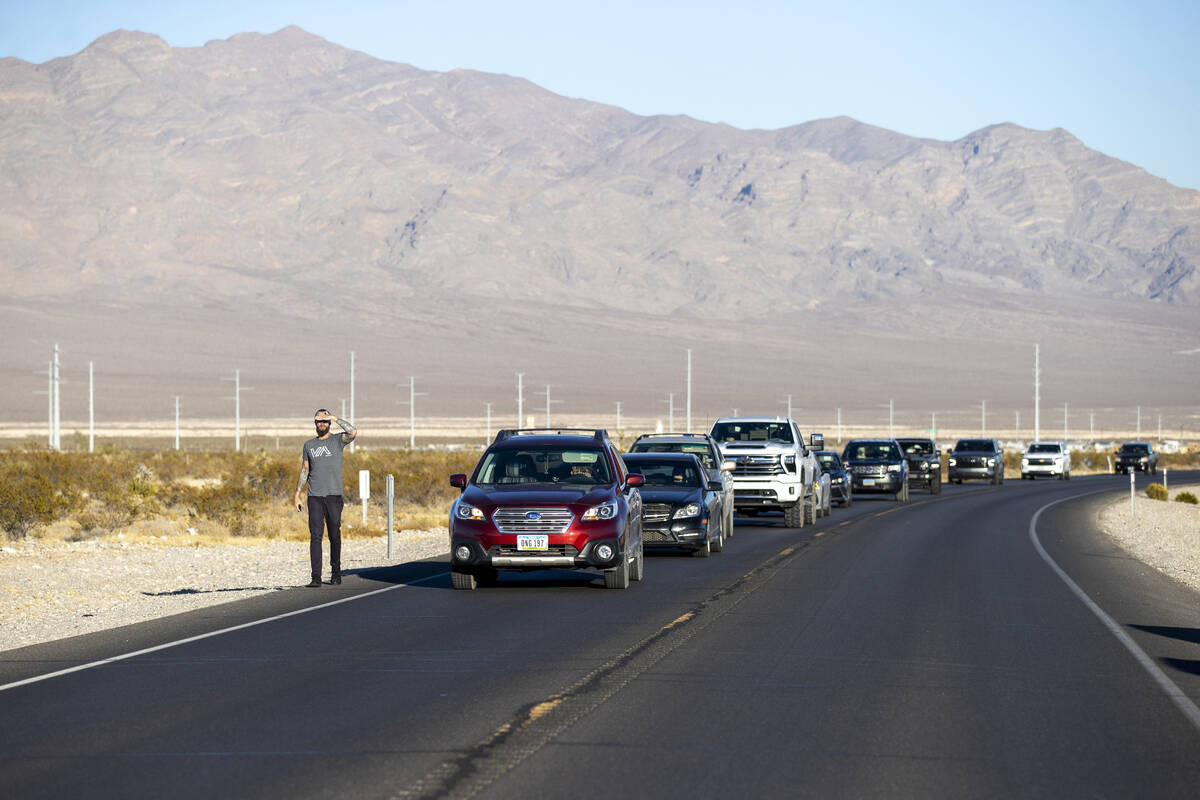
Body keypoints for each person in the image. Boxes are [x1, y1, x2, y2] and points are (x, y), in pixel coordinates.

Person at [293, 409, 357, 587]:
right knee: (315, 536)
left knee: (334, 534)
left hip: (333, 496)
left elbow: (352, 432)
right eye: (319, 421)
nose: (322, 424)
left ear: (329, 423)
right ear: (315, 424)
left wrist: (334, 418)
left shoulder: (337, 440)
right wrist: (297, 494)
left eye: (325, 420)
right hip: (315, 496)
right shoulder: (309, 446)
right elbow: (305, 470)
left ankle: (336, 572)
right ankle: (316, 577)